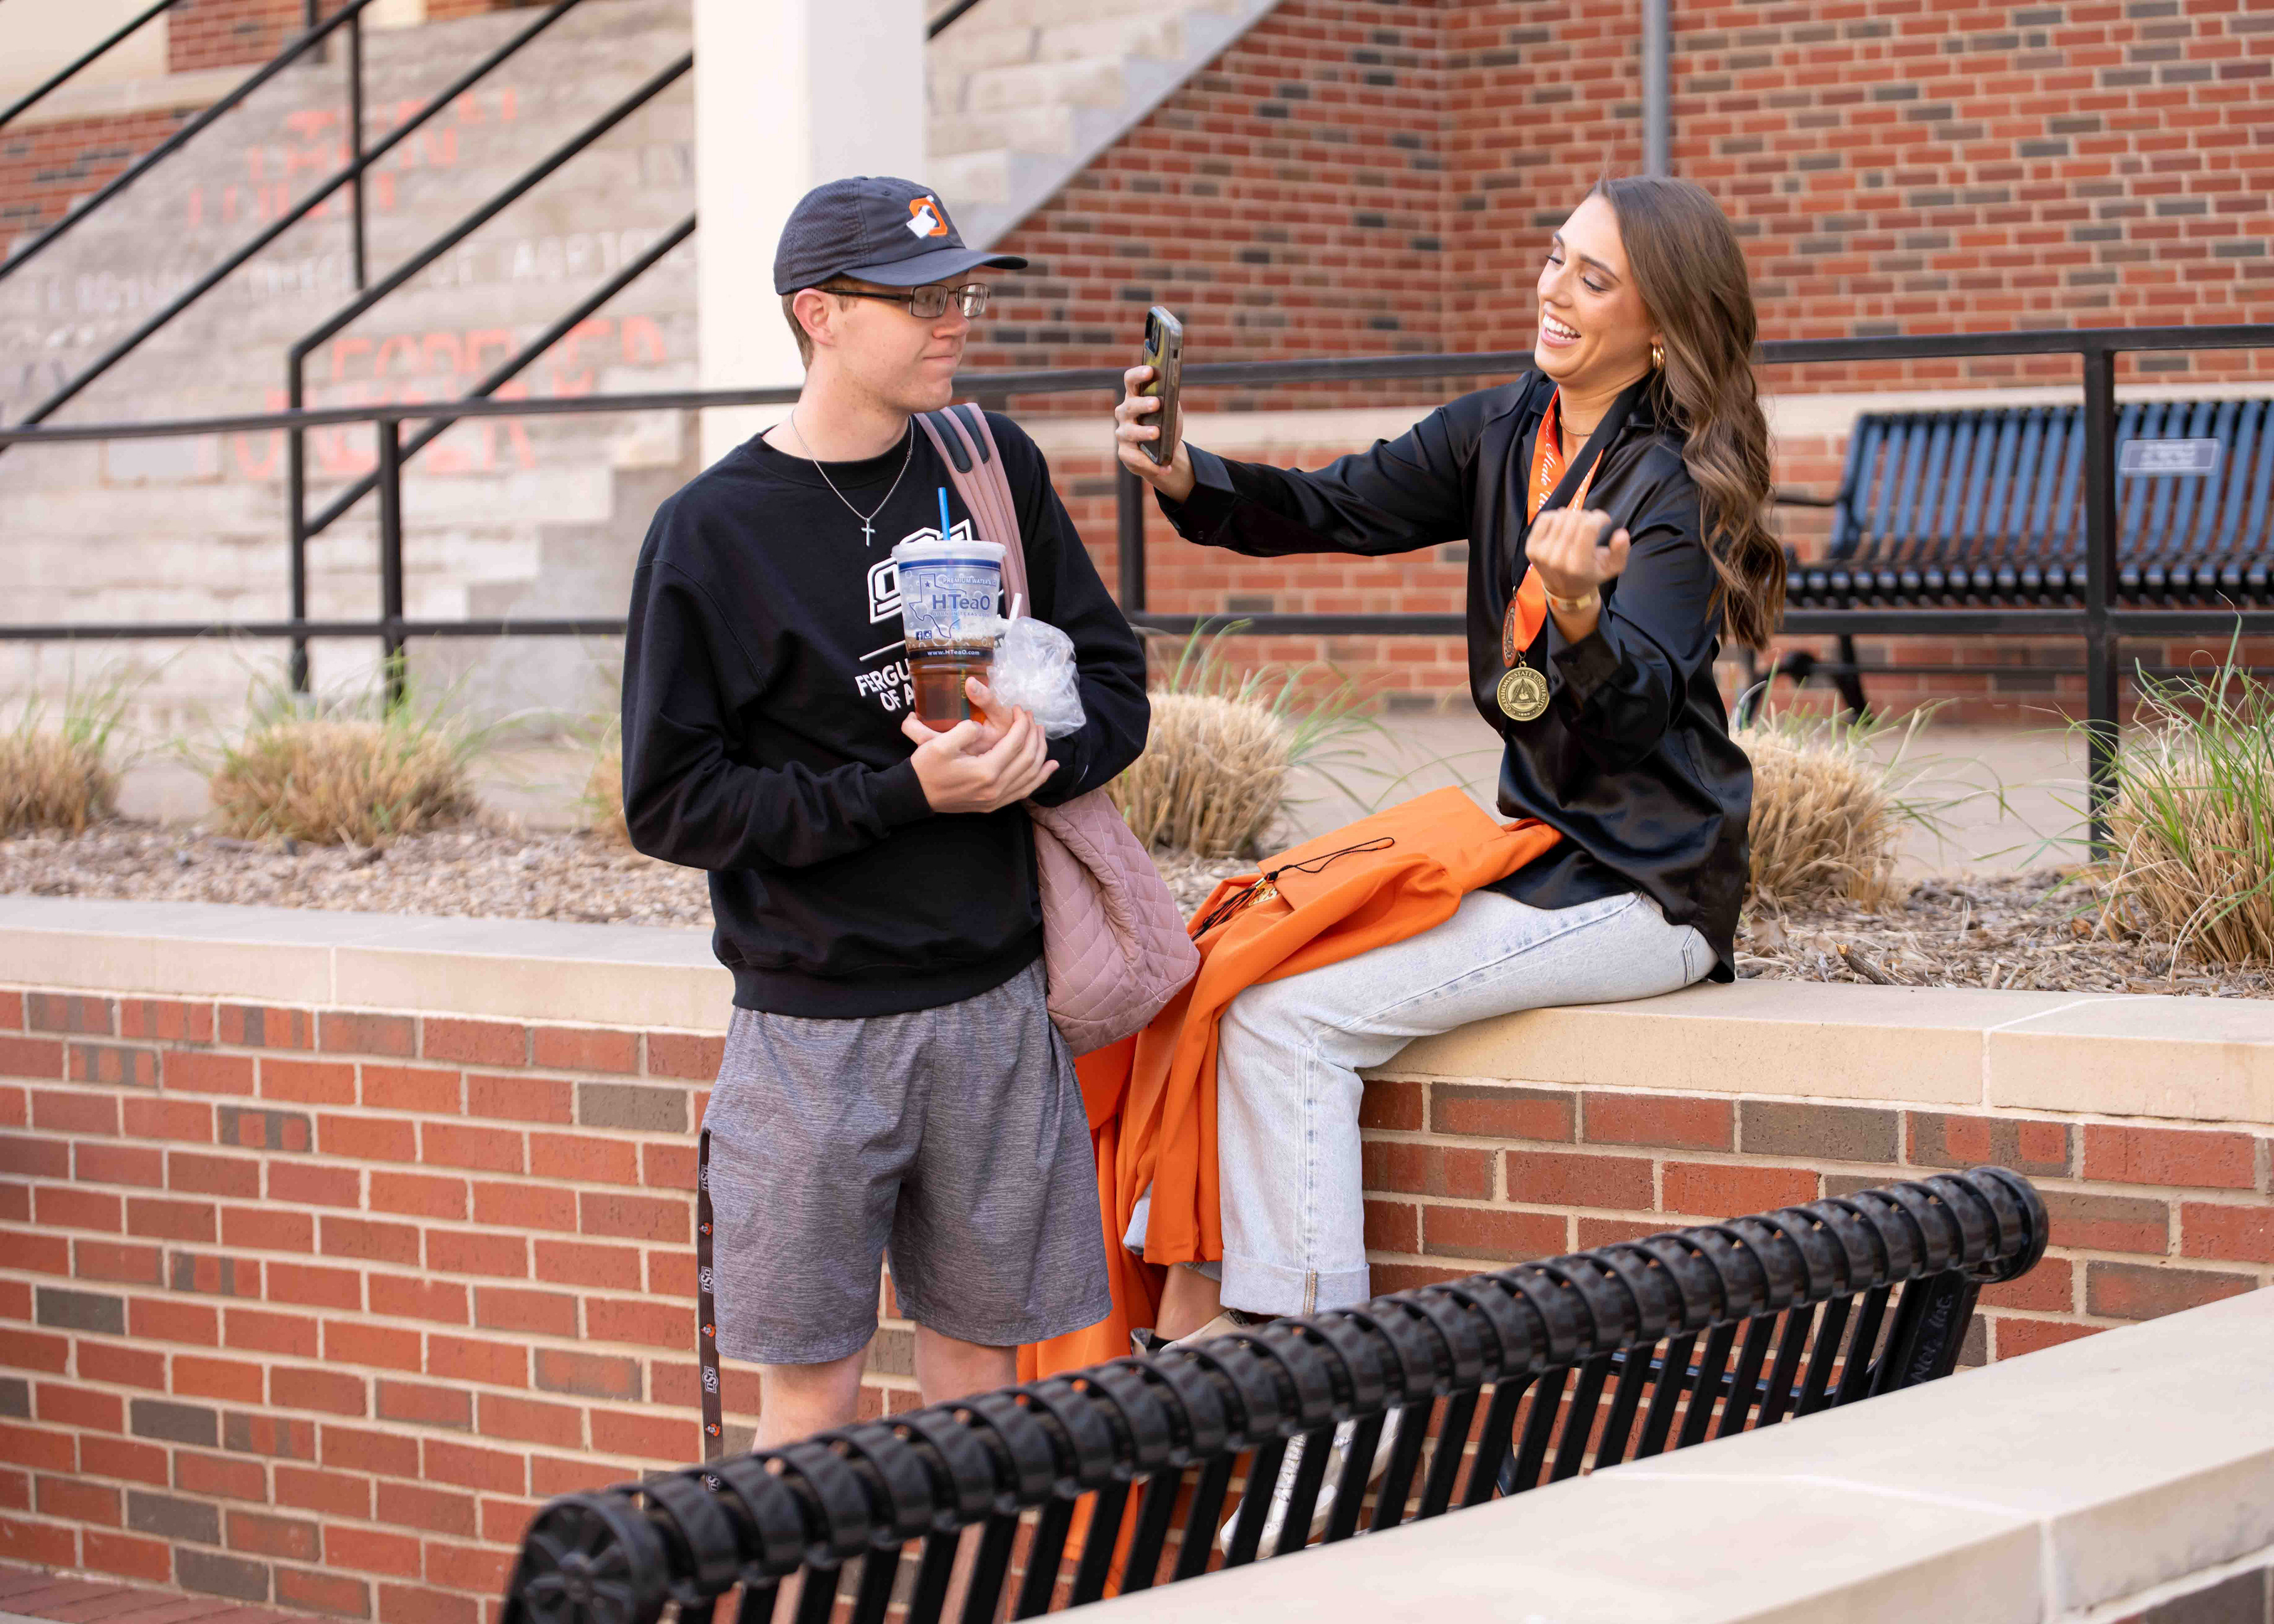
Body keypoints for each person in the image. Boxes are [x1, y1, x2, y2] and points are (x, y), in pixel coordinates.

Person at [1112, 174, 1780, 1535]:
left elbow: (1643, 705)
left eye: (1594, 277)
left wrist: (1581, 618)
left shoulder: (1666, 486)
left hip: (1648, 882)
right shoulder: (1504, 429)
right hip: (1537, 848)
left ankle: (1332, 1416)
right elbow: (1333, 508)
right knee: (1250, 955)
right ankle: (1251, 1337)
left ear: (1662, 326)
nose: (1553, 288)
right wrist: (1186, 473)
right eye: (1556, 257)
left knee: (1293, 1018)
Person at [622, 177, 1148, 1445]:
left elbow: (1116, 686)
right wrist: (902, 794)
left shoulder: (989, 465)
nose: (952, 320)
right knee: (812, 1402)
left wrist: (1035, 757)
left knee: (984, 1386)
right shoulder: (711, 532)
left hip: (997, 1005)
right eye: (919, 300)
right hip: (812, 1027)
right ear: (819, 314)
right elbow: (673, 801)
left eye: (959, 293)